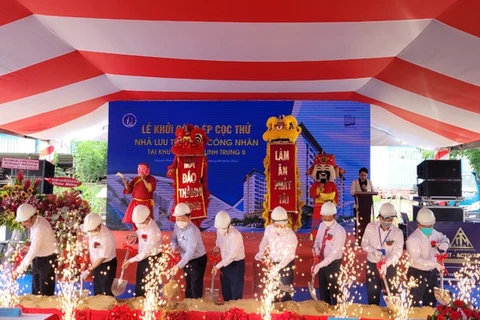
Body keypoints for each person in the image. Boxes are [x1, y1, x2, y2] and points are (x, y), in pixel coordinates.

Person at [361, 203, 404, 305]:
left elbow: (398, 252)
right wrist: (373, 251)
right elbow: (364, 244)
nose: (386, 222)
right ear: (379, 216)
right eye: (384, 219)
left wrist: (387, 263)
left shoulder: (397, 232)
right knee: (373, 292)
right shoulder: (370, 227)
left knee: (393, 294)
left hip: (390, 266)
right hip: (373, 264)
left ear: (393, 218)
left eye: (389, 220)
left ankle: (394, 312)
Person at [407, 207, 450, 307]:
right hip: (416, 272)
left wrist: (445, 244)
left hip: (431, 273)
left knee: (431, 301)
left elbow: (444, 238)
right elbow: (416, 259)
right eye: (425, 226)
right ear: (418, 224)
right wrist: (434, 263)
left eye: (430, 226)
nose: (428, 228)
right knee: (415, 301)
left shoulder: (434, 233)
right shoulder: (413, 239)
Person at [255, 206, 298, 302]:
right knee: (272, 290)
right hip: (273, 262)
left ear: (286, 223)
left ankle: (286, 312)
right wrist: (260, 252)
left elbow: (289, 256)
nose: (279, 228)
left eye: (281, 226)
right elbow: (264, 241)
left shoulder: (291, 235)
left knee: (286, 292)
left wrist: (277, 268)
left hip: (286, 264)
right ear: (272, 222)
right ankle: (273, 310)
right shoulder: (269, 229)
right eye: (276, 225)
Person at [14, 203, 57, 296]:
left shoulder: (40, 229)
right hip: (39, 257)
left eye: (25, 221)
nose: (23, 224)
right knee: (36, 288)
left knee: (45, 292)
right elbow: (36, 245)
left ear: (32, 217)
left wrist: (18, 271)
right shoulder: (37, 220)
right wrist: (29, 248)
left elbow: (32, 252)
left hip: (47, 260)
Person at [122, 204, 162, 297]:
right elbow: (139, 232)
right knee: (140, 282)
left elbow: (146, 252)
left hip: (153, 258)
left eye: (140, 223)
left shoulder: (154, 231)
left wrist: (130, 261)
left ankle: (152, 305)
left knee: (151, 284)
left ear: (147, 219)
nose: (138, 225)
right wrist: (134, 235)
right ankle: (138, 302)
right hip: (142, 258)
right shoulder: (143, 224)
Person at [170, 203, 207, 299]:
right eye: (178, 219)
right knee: (188, 284)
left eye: (183, 219)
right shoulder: (176, 226)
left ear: (189, 217)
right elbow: (173, 238)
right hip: (185, 259)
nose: (180, 222)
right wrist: (174, 246)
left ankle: (197, 307)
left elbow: (190, 252)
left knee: (195, 286)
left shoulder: (193, 231)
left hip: (197, 259)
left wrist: (178, 266)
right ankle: (188, 306)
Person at [313, 202, 346, 305]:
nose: (326, 221)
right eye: (324, 218)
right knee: (323, 290)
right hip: (322, 261)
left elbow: (334, 254)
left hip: (333, 264)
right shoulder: (322, 225)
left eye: (329, 218)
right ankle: (325, 310)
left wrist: (319, 265)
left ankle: (338, 312)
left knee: (335, 290)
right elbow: (318, 241)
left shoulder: (340, 231)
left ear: (334, 216)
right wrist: (316, 249)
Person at [212, 210, 245, 301]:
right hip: (224, 264)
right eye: (218, 228)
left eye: (223, 228)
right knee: (226, 292)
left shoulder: (235, 235)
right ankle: (227, 311)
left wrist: (217, 267)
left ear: (229, 225)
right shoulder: (219, 230)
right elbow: (219, 241)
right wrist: (217, 246)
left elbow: (231, 256)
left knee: (236, 294)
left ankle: (236, 313)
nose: (220, 230)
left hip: (236, 264)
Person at [81, 213, 117, 296]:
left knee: (105, 288)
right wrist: (79, 242)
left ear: (98, 226)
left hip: (106, 264)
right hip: (95, 263)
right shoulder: (90, 226)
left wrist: (89, 270)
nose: (89, 232)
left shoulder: (106, 237)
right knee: (97, 286)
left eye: (91, 231)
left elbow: (102, 257)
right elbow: (79, 229)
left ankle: (107, 307)